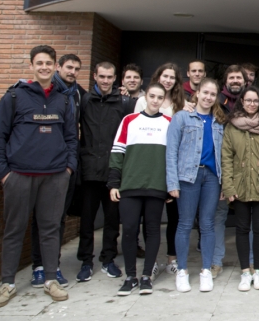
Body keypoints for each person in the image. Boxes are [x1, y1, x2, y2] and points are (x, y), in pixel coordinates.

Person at [0, 45, 77, 308]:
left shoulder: (63, 100)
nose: (44, 67)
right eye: (39, 63)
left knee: (50, 230)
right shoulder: (14, 97)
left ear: (55, 67)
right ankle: (8, 283)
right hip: (18, 175)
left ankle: (51, 279)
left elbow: (72, 138)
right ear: (31, 66)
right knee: (14, 230)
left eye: (49, 63)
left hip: (54, 176)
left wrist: (68, 169)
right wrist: (4, 173)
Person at [108, 82, 172, 296]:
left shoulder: (169, 123)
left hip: (156, 186)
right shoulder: (129, 121)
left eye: (159, 97)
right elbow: (117, 152)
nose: (155, 100)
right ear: (145, 98)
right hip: (130, 185)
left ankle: (146, 277)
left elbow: (173, 158)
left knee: (153, 231)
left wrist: (171, 187)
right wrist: (114, 183)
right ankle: (130, 277)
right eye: (152, 96)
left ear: (164, 100)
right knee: (129, 231)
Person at [76, 62, 136, 282]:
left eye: (109, 77)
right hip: (89, 170)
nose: (105, 81)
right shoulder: (84, 100)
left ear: (115, 78)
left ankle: (108, 259)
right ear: (94, 76)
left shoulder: (124, 102)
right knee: (87, 220)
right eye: (101, 76)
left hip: (113, 172)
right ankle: (85, 261)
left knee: (112, 219)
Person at [167, 78, 226, 293]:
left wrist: (225, 185)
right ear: (197, 93)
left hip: (211, 177)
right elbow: (171, 151)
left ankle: (206, 271)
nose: (209, 97)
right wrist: (172, 182)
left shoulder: (219, 120)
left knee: (208, 224)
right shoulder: (182, 118)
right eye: (205, 93)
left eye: (213, 94)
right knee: (184, 224)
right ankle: (182, 270)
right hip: (187, 177)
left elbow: (224, 155)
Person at [29, 53, 83, 287]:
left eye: (76, 68)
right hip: (40, 165)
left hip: (63, 167)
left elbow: (73, 135)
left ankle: (53, 265)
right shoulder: (44, 92)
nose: (72, 71)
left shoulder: (79, 94)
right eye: (68, 67)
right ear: (58, 67)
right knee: (39, 219)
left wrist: (70, 166)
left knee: (57, 218)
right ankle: (39, 266)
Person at [222, 86, 259, 292]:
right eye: (247, 100)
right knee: (241, 229)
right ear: (241, 102)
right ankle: (244, 272)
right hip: (239, 186)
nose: (251, 104)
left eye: (255, 101)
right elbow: (227, 157)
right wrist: (228, 185)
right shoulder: (232, 127)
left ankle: (257, 271)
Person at [135, 63, 186, 274]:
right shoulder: (141, 101)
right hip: (150, 164)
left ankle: (172, 259)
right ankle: (152, 260)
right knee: (151, 218)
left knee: (174, 216)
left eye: (172, 77)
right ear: (158, 76)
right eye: (165, 76)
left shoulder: (180, 103)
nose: (168, 80)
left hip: (173, 164)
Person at [210, 64, 247, 277]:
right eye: (231, 77)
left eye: (238, 78)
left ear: (245, 81)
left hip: (246, 168)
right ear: (226, 81)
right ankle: (216, 261)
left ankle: (250, 262)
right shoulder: (215, 103)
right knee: (218, 216)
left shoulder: (252, 103)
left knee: (247, 218)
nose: (235, 81)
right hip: (220, 167)